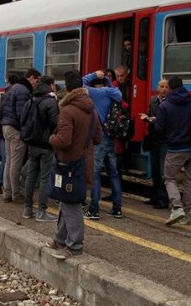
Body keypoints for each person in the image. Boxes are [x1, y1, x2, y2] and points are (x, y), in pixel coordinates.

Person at [48, 71, 101, 259]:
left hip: (68, 163)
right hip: (84, 161)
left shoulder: (67, 110)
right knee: (67, 201)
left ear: (68, 88)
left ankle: (75, 245)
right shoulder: (92, 110)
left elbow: (63, 140)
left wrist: (51, 138)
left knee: (71, 204)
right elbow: (98, 138)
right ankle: (60, 239)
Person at [152, 76, 191, 226]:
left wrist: (154, 121)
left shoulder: (165, 106)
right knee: (190, 182)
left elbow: (159, 129)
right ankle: (186, 215)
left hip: (175, 148)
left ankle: (177, 207)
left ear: (170, 88)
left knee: (169, 178)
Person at [82, 70, 123, 220]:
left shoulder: (96, 93)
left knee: (95, 174)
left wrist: (94, 75)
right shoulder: (114, 92)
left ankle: (94, 209)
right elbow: (113, 89)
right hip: (111, 139)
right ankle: (117, 209)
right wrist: (107, 80)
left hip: (99, 139)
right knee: (114, 174)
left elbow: (78, 83)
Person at [22, 75, 59, 222]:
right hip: (46, 145)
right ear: (50, 85)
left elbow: (23, 119)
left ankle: (27, 209)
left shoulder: (31, 100)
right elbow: (56, 124)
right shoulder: (51, 102)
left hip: (32, 143)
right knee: (44, 178)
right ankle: (42, 211)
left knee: (31, 176)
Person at [0, 68, 40, 202]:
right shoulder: (24, 90)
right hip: (16, 129)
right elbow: (22, 114)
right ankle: (16, 194)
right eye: (36, 80)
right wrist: (27, 131)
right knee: (15, 163)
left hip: (7, 126)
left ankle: (7, 193)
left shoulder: (14, 87)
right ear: (31, 77)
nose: (36, 83)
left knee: (9, 161)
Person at [140, 79, 170, 209]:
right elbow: (150, 113)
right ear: (158, 88)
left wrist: (156, 120)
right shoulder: (153, 100)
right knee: (155, 169)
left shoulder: (170, 102)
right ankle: (155, 196)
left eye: (166, 87)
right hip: (154, 139)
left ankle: (163, 199)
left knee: (163, 170)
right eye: (161, 86)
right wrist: (147, 117)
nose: (164, 89)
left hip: (165, 140)